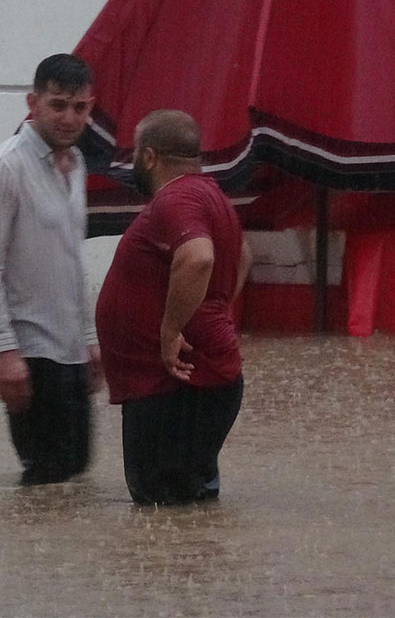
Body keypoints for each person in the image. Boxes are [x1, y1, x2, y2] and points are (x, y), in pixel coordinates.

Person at [95, 109, 253, 505]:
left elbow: (198, 258)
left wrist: (170, 330)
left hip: (172, 385)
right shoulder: (211, 195)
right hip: (192, 381)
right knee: (187, 516)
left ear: (148, 157)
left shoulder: (176, 198)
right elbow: (243, 255)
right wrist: (211, 311)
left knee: (160, 515)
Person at [0, 54, 102, 486]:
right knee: (47, 475)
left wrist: (91, 341)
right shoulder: (2, 167)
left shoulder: (77, 165)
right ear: (33, 102)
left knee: (76, 468)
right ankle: (25, 553)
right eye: (57, 105)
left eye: (79, 108)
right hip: (27, 349)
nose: (68, 117)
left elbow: (69, 263)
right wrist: (5, 353)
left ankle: (49, 554)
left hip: (69, 347)